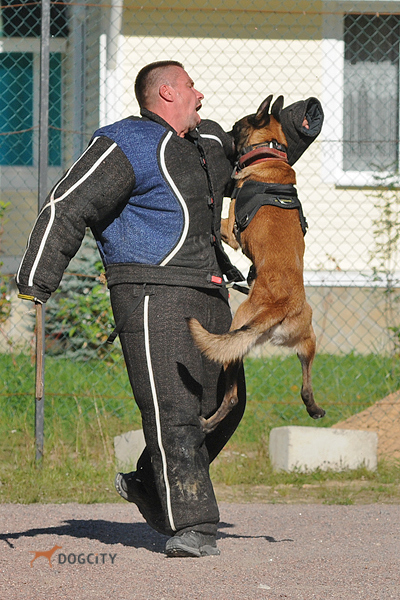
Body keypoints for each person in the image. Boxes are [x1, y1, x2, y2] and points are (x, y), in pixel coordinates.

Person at [16, 60, 247, 558]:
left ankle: (148, 481)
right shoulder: (127, 142)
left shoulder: (206, 144)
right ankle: (193, 523)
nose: (200, 94)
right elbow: (68, 204)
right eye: (191, 85)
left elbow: (256, 147)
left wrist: (296, 123)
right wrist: (37, 277)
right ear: (165, 92)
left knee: (226, 405)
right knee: (174, 411)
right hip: (150, 294)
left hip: (210, 290)